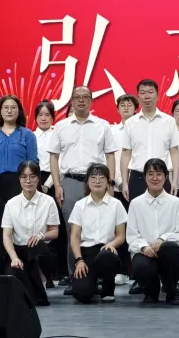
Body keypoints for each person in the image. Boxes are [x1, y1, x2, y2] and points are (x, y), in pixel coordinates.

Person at [48, 85, 118, 282]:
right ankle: (75, 275)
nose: (81, 100)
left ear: (91, 101)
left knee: (99, 227)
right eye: (77, 97)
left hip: (97, 182)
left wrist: (110, 184)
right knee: (73, 230)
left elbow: (110, 156)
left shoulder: (102, 125)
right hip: (70, 182)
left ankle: (100, 274)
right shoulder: (61, 126)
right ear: (71, 101)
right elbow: (54, 157)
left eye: (85, 97)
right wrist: (57, 185)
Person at [127, 158, 179, 305]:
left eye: (159, 174)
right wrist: (143, 247)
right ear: (145, 177)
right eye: (150, 174)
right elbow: (132, 235)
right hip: (145, 252)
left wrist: (163, 239)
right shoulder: (136, 203)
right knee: (141, 265)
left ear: (166, 177)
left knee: (170, 248)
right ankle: (151, 290)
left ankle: (172, 291)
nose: (155, 178)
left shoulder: (175, 202)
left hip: (169, 252)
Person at [68, 163, 128, 304]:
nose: (97, 181)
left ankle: (108, 289)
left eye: (102, 177)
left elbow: (121, 235)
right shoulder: (79, 205)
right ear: (87, 181)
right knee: (82, 294)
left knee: (107, 256)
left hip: (107, 250)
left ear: (108, 181)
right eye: (93, 177)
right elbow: (75, 237)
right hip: (86, 254)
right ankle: (93, 285)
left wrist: (112, 244)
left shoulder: (116, 204)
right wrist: (79, 260)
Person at [2, 161, 59, 306]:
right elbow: (7, 236)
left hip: (42, 252)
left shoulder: (48, 201)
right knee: (13, 273)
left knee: (35, 246)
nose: (28, 181)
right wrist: (14, 258)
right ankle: (34, 292)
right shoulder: (11, 204)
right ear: (19, 179)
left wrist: (41, 235)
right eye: (24, 177)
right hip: (20, 251)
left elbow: (54, 231)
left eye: (32, 176)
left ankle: (41, 286)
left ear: (38, 178)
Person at [122, 80, 179, 201]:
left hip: (162, 177)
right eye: (143, 93)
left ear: (157, 95)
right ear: (138, 96)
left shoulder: (169, 121)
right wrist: (124, 182)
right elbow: (125, 154)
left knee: (164, 212)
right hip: (137, 178)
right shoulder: (130, 123)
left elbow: (174, 152)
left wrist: (175, 180)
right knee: (137, 212)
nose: (147, 96)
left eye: (150, 92)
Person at [34, 99, 66, 285]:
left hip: (55, 182)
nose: (43, 118)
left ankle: (59, 271)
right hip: (33, 181)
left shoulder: (58, 135)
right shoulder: (30, 136)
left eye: (47, 115)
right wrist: (37, 183)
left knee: (56, 225)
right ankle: (40, 271)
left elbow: (60, 162)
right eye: (40, 115)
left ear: (53, 117)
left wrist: (48, 184)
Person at [0, 95, 38, 202]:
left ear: (19, 111)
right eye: (6, 107)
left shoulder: (28, 134)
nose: (9, 111)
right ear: (0, 111)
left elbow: (33, 164)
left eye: (13, 107)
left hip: (20, 187)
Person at [111, 94, 138, 201]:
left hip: (138, 182)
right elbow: (110, 158)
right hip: (117, 186)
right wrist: (120, 182)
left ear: (136, 109)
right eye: (122, 105)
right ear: (117, 109)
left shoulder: (142, 131)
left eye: (129, 105)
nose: (126, 107)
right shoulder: (112, 132)